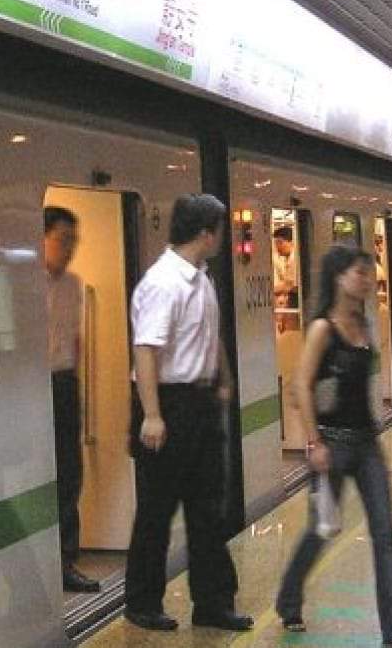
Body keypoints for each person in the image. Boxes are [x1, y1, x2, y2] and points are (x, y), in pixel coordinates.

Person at [275, 247, 392, 647]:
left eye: (369, 275)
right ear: (339, 277)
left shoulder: (365, 324)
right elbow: (302, 384)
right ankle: (289, 599)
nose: (368, 281)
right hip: (332, 446)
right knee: (322, 529)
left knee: (385, 534)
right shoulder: (323, 328)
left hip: (366, 443)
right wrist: (313, 442)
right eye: (360, 274)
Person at [124, 194, 249, 632]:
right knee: (157, 511)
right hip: (169, 404)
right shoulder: (163, 282)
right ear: (205, 233)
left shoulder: (202, 277)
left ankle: (212, 603)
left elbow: (209, 336)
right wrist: (151, 414)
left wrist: (224, 377)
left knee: (208, 509)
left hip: (200, 403)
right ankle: (142, 602)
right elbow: (146, 349)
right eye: (220, 229)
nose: (223, 237)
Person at [44, 207, 100, 593]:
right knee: (44, 475)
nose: (69, 250)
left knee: (69, 473)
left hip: (64, 383)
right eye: (63, 240)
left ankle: (67, 559)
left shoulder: (74, 284)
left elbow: (75, 340)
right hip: (35, 386)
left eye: (73, 242)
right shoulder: (26, 284)